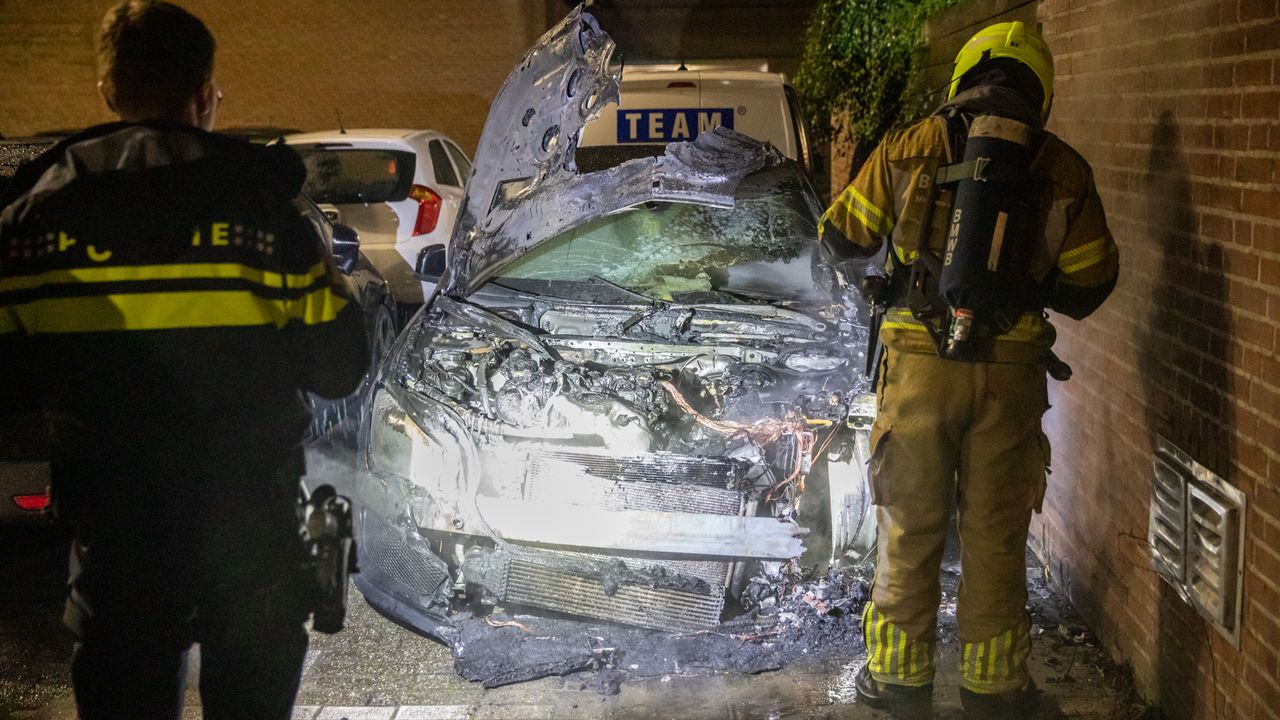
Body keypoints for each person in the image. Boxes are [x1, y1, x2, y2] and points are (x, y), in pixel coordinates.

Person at [0, 2, 368, 718]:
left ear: (108, 92)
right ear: (204, 94)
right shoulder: (263, 208)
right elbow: (339, 366)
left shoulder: (32, 217)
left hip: (116, 539)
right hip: (250, 533)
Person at [819, 21, 1118, 720]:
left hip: (919, 368)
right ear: (1036, 84)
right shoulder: (1064, 168)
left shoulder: (906, 147)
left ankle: (897, 682)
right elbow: (1090, 285)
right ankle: (993, 688)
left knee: (909, 524)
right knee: (995, 532)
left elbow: (840, 236)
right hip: (1010, 374)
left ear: (967, 72)